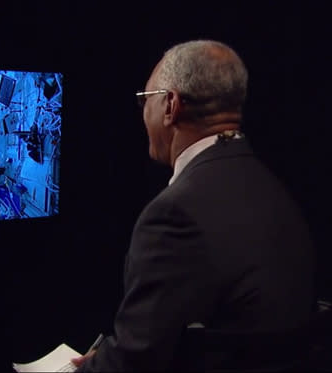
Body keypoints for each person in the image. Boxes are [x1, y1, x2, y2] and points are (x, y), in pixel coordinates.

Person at [72, 40, 316, 371]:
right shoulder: (270, 186)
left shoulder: (175, 214)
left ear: (170, 105)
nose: (143, 113)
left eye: (145, 100)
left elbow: (136, 362)